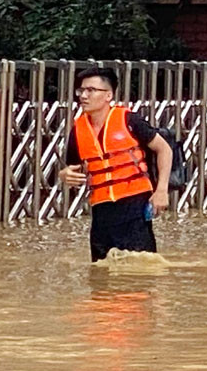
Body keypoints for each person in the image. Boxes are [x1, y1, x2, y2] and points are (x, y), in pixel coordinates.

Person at [58, 68, 174, 262]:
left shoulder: (129, 120)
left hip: (134, 203)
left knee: (141, 266)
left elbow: (164, 149)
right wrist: (64, 175)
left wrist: (161, 190)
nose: (84, 96)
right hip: (101, 209)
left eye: (91, 90)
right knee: (101, 268)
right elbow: (72, 167)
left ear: (108, 95)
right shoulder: (78, 130)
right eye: (81, 91)